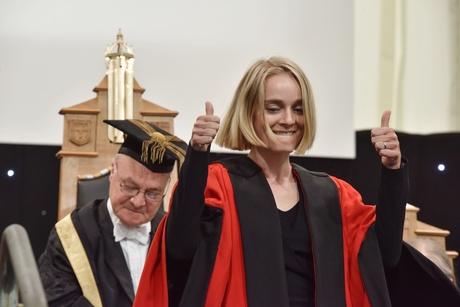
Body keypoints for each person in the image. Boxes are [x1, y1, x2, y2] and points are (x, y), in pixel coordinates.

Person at [134, 56, 460, 306]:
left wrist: (392, 171)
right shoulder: (218, 186)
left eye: (298, 109)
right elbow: (179, 249)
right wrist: (198, 154)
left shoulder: (331, 194)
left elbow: (385, 257)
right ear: (250, 113)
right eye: (274, 108)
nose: (289, 120)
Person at [38, 119, 187, 307]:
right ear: (112, 172)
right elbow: (58, 302)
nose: (138, 202)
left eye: (152, 193)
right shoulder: (70, 236)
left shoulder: (172, 236)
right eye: (130, 187)